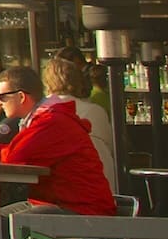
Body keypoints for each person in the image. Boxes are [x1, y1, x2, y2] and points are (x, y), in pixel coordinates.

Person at [0, 66, 115, 216]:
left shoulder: (51, 120)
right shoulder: (44, 117)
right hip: (55, 203)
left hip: (82, 210)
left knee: (3, 224)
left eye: (2, 96)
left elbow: (14, 156)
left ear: (21, 97)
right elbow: (13, 150)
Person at [43, 55, 117, 189]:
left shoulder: (40, 112)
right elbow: (111, 147)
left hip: (64, 192)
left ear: (47, 83)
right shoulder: (95, 111)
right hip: (103, 186)